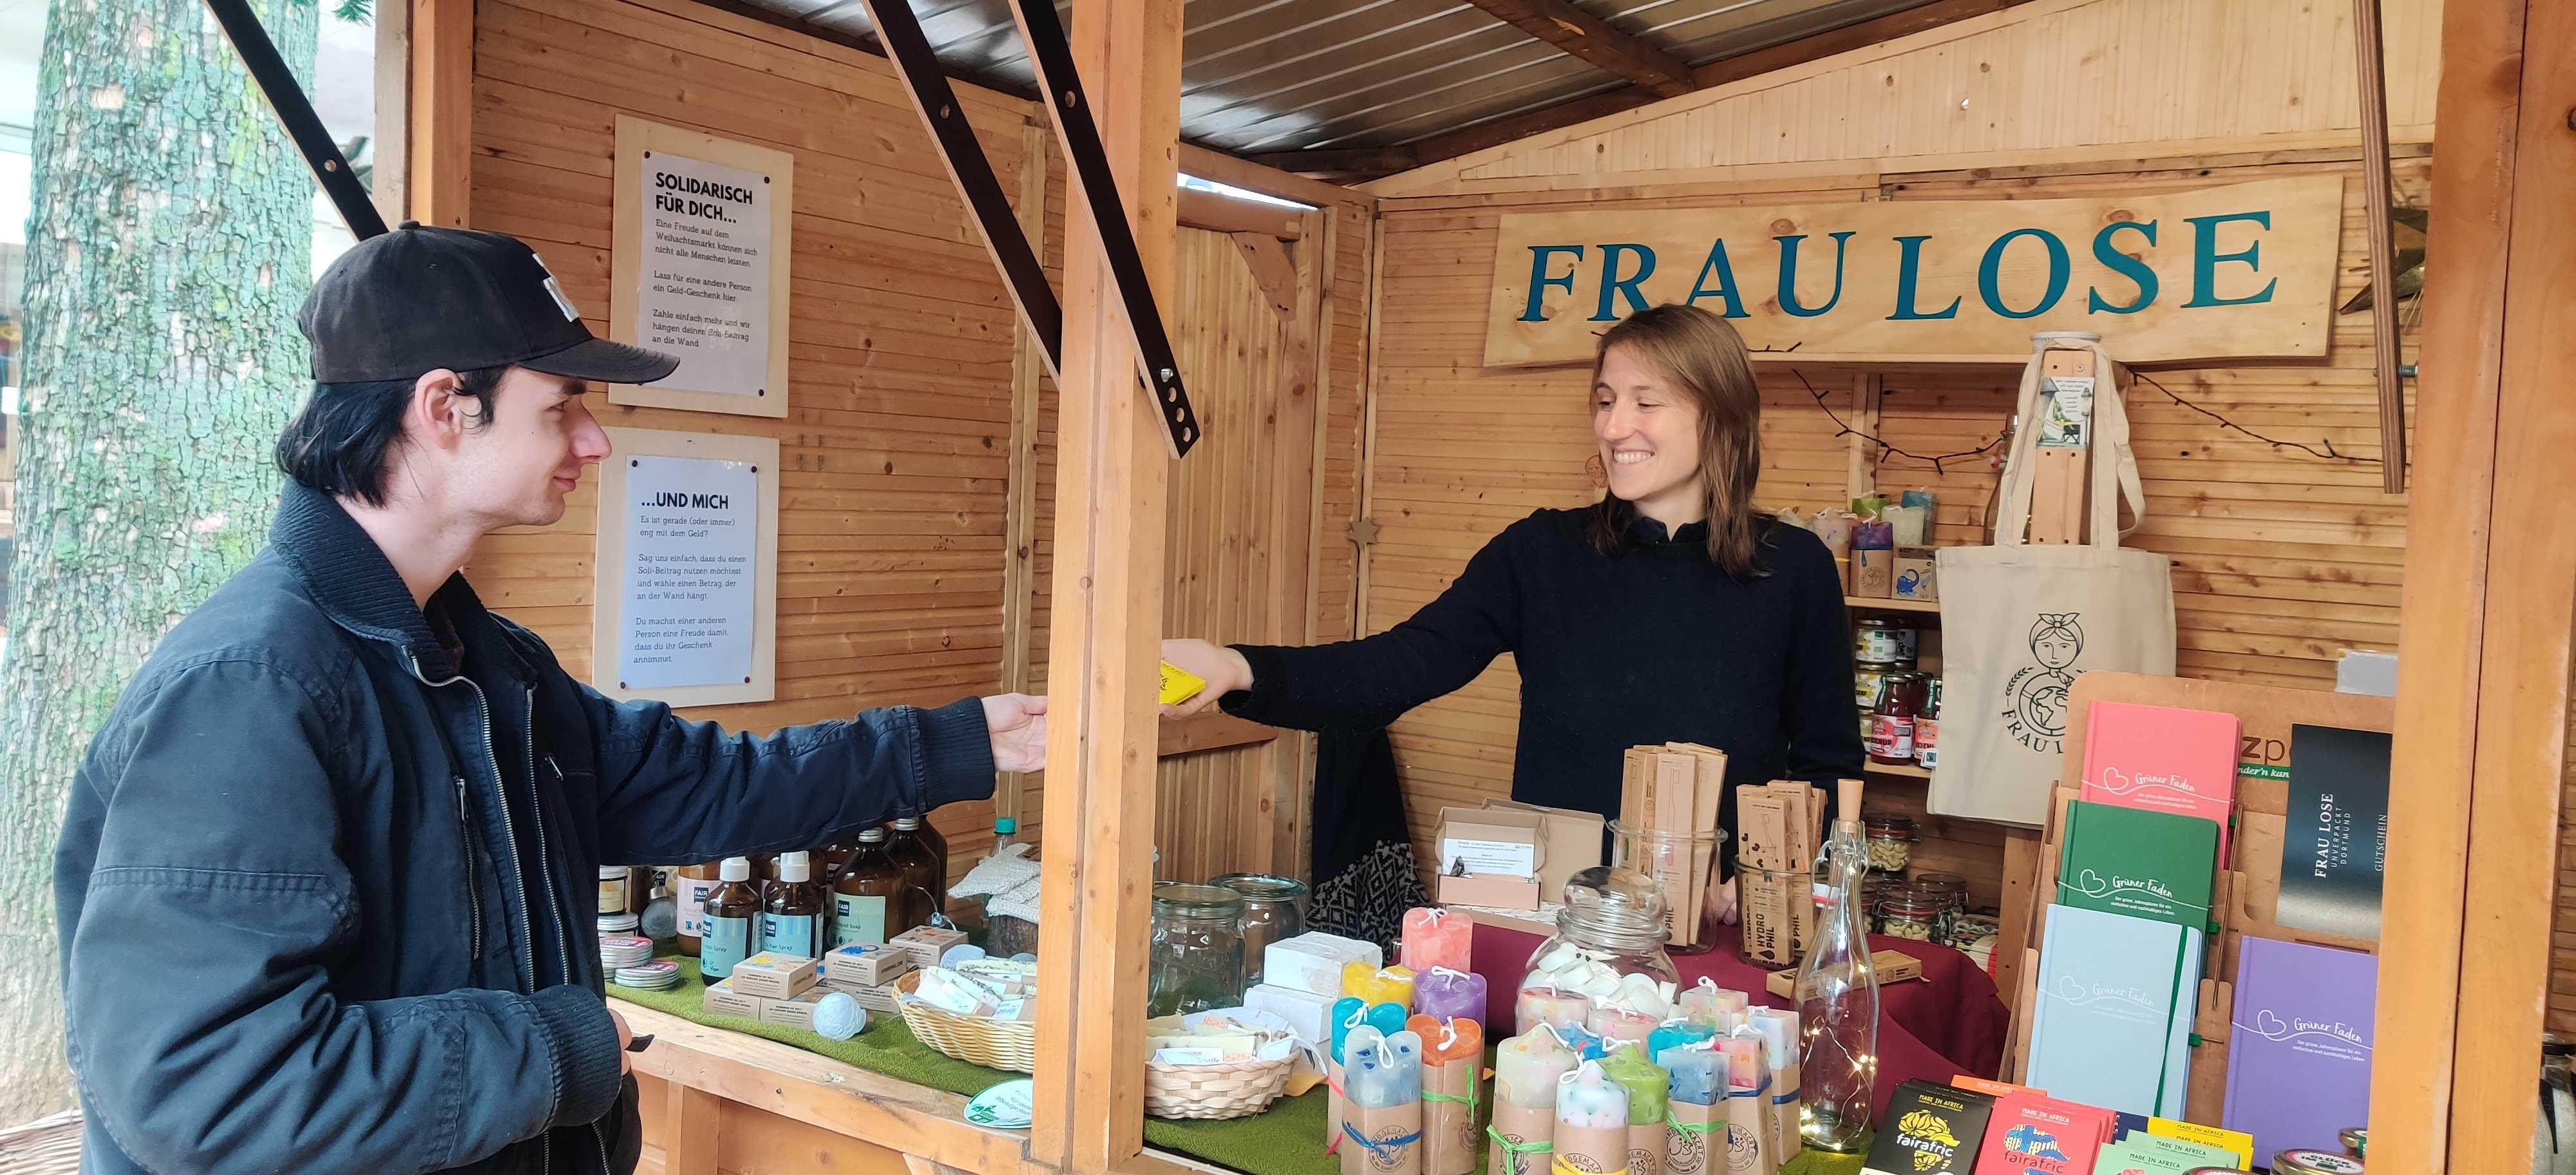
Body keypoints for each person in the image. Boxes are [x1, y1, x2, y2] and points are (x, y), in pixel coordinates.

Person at [51, 224, 1048, 1175]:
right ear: (446, 407)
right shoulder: (250, 691)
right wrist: (557, 1053)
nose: (594, 441)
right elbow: (209, 1084)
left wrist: (958, 741)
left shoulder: (490, 672)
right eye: (562, 405)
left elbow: (709, 787)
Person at [1163, 303, 1861, 921]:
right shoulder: (1542, 553)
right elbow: (1398, 665)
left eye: (1647, 403)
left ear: (1721, 416)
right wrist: (1237, 667)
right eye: (1604, 400)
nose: (1616, 427)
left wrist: (1780, 878)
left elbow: (1829, 758)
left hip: (1721, 925)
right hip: (1559, 922)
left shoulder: (1792, 568)